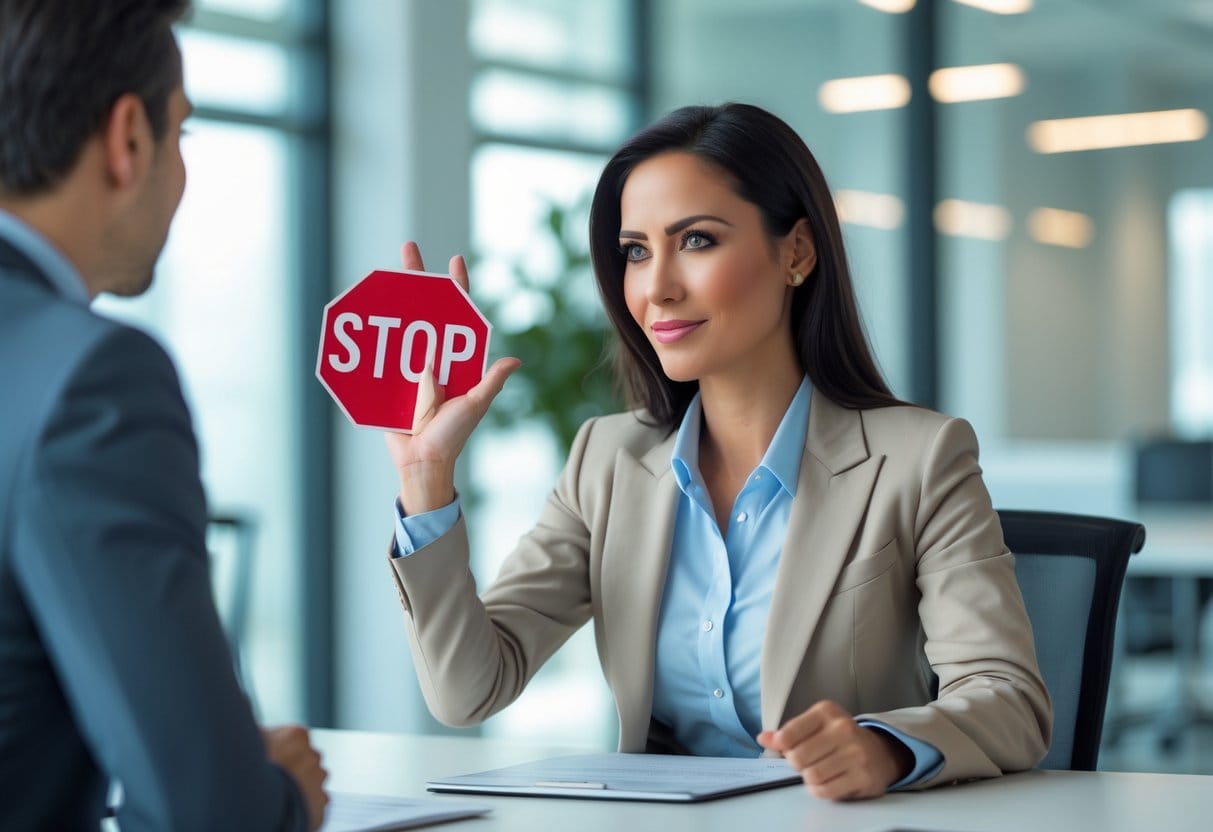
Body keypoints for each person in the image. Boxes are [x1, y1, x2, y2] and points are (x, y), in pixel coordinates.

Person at [383, 102, 1052, 800]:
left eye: (696, 241)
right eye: (636, 250)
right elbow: (468, 691)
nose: (656, 287)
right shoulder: (606, 459)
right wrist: (426, 481)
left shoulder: (918, 458)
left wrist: (883, 747)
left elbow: (1008, 699)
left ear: (795, 251)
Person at [0, 1, 327, 829]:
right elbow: (208, 812)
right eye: (180, 134)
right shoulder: (89, 378)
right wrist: (280, 795)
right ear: (127, 140)